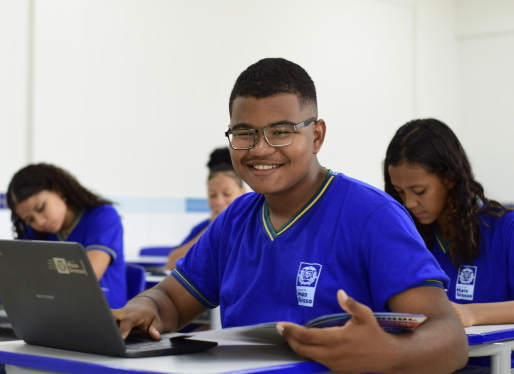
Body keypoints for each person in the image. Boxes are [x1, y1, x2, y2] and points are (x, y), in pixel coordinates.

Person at [112, 58, 468, 373]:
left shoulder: (373, 216)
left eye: (281, 132)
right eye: (244, 132)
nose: (260, 148)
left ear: (316, 135)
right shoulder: (236, 218)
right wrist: (144, 307)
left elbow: (450, 338)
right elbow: (172, 300)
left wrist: (390, 353)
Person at [384, 118, 514, 370]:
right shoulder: (409, 236)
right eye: (400, 192)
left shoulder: (505, 229)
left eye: (419, 191)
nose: (409, 203)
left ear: (451, 178)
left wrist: (472, 314)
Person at [0, 163, 127, 309]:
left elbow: (84, 280)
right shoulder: (35, 232)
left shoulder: (103, 217)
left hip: (106, 319)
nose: (39, 222)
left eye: (41, 208)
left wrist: (12, 283)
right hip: (57, 318)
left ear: (57, 189)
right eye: (30, 219)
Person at [166, 147, 246, 270]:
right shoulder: (203, 227)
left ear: (242, 192)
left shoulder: (252, 225)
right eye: (212, 195)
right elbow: (172, 263)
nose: (219, 201)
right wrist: (212, 227)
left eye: (227, 194)